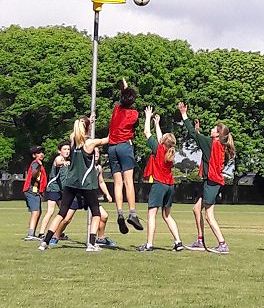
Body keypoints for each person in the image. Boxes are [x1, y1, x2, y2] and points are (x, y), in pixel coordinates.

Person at [38, 116, 108, 252]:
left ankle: (44, 242)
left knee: (61, 213)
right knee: (96, 213)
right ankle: (91, 244)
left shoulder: (72, 141)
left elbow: (77, 131)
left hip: (71, 184)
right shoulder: (89, 144)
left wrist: (89, 121)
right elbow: (108, 140)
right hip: (86, 184)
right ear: (88, 128)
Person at [178, 102, 235, 254]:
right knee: (196, 209)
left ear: (218, 134)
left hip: (212, 182)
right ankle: (200, 240)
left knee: (209, 216)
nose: (212, 129)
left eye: (214, 129)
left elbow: (192, 134)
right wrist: (197, 132)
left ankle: (222, 244)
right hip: (210, 182)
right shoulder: (216, 144)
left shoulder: (211, 143)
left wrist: (184, 115)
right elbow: (198, 137)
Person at [136, 106, 183, 252]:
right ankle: (178, 242)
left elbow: (146, 132)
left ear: (163, 141)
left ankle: (149, 244)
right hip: (170, 185)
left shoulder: (159, 148)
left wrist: (148, 117)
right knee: (167, 215)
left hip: (159, 184)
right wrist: (157, 124)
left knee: (151, 214)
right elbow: (161, 137)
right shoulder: (169, 151)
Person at [49, 147, 115, 247]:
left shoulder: (98, 168)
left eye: (98, 152)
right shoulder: (83, 166)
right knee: (66, 219)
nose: (96, 154)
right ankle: (55, 236)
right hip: (78, 196)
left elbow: (101, 182)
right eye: (94, 152)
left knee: (104, 216)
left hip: (90, 196)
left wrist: (107, 194)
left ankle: (101, 238)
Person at [108, 78, 143, 235]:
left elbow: (124, 99)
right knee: (129, 182)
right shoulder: (134, 114)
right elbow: (129, 101)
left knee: (117, 183)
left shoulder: (116, 110)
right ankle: (133, 213)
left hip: (112, 147)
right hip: (124, 146)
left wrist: (125, 87)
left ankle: (120, 212)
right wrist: (128, 90)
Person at [38, 140, 71, 239]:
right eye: (64, 149)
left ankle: (57, 233)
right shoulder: (59, 158)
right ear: (59, 151)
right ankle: (41, 233)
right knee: (50, 211)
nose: (67, 151)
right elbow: (58, 162)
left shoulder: (68, 161)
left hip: (61, 190)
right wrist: (64, 163)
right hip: (53, 188)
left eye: (68, 149)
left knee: (63, 213)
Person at [23, 146, 47, 240]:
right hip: (31, 190)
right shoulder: (35, 163)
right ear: (34, 155)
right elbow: (33, 174)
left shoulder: (39, 164)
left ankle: (32, 233)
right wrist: (38, 167)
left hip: (35, 190)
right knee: (35, 211)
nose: (41, 154)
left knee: (38, 212)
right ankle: (30, 234)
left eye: (42, 152)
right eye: (38, 153)